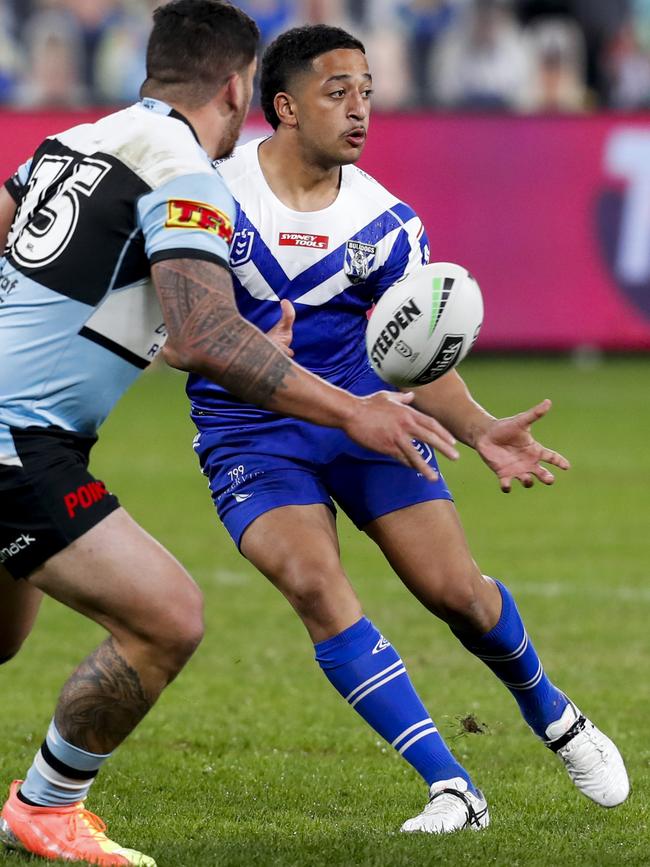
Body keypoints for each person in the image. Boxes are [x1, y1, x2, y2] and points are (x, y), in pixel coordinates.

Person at [0, 4, 459, 865]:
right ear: (239, 85)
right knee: (167, 617)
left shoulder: (80, 140)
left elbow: (28, 239)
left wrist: (160, 337)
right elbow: (214, 335)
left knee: (2, 637)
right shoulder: (185, 169)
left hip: (27, 427)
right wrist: (356, 408)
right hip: (20, 439)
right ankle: (47, 806)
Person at [188, 23, 630, 834]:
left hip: (371, 423)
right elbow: (186, 331)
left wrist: (485, 425)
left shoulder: (389, 222)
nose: (360, 109)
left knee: (455, 591)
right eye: (337, 92)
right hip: (252, 433)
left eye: (367, 92)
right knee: (316, 585)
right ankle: (453, 787)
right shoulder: (210, 196)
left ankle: (554, 713)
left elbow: (412, 355)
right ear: (282, 106)